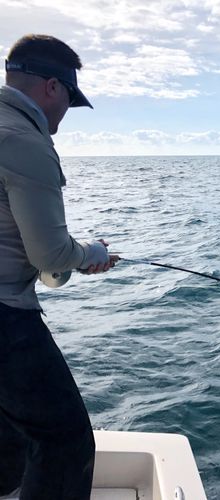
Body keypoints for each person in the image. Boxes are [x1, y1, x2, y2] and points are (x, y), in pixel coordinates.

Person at [0, 34, 117, 499]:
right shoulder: (25, 139)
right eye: (70, 98)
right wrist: (91, 252)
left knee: (10, 431)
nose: (66, 112)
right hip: (5, 318)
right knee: (65, 442)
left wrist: (69, 260)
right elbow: (49, 257)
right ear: (53, 87)